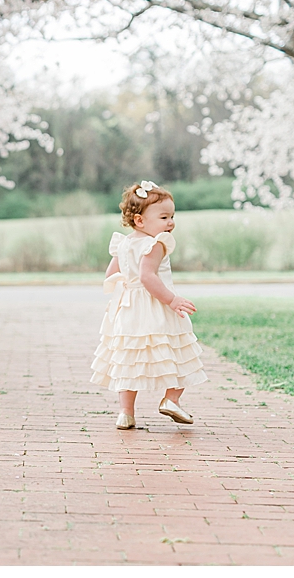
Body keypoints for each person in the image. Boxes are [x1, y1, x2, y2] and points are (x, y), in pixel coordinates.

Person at [90, 181, 208, 429]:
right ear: (140, 221)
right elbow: (148, 276)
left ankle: (126, 413)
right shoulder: (155, 244)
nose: (170, 223)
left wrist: (118, 299)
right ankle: (171, 399)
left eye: (172, 216)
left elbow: (112, 274)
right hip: (155, 304)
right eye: (164, 217)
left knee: (129, 360)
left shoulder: (123, 243)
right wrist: (172, 299)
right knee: (178, 351)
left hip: (129, 308)